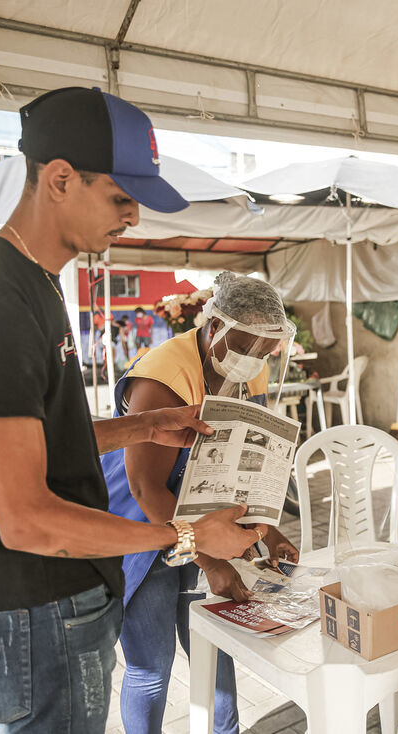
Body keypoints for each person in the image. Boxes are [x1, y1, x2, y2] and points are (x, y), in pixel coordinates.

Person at [0, 87, 262, 733]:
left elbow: (35, 440)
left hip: (58, 597)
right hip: (36, 602)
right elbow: (26, 520)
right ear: (60, 179)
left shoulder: (31, 285)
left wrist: (148, 425)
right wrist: (189, 537)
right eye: (121, 198)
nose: (132, 218)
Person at [100, 271, 299, 734]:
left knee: (215, 649)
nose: (255, 360)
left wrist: (269, 529)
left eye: (264, 352)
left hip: (203, 515)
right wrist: (209, 560)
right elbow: (147, 490)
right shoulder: (162, 379)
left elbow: (243, 464)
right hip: (143, 528)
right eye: (246, 347)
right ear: (214, 328)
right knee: (151, 668)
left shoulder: (250, 367)